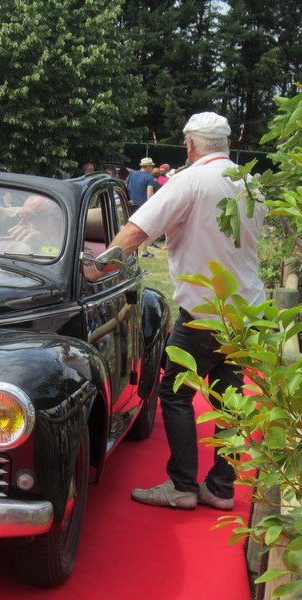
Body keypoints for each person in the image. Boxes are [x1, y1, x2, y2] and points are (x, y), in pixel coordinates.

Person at [108, 112, 267, 511]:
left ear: (190, 144)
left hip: (205, 310)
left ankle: (182, 484)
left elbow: (138, 230)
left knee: (175, 392)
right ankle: (221, 488)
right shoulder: (251, 182)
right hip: (245, 310)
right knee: (231, 401)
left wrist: (97, 266)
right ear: (226, 143)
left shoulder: (190, 180)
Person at [126, 157, 156, 257]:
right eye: (151, 166)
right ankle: (144, 252)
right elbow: (149, 194)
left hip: (131, 205)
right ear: (147, 166)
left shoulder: (132, 174)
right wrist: (152, 207)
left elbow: (127, 187)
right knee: (145, 230)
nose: (152, 168)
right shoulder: (149, 178)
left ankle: (128, 251)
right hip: (143, 207)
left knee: (130, 229)